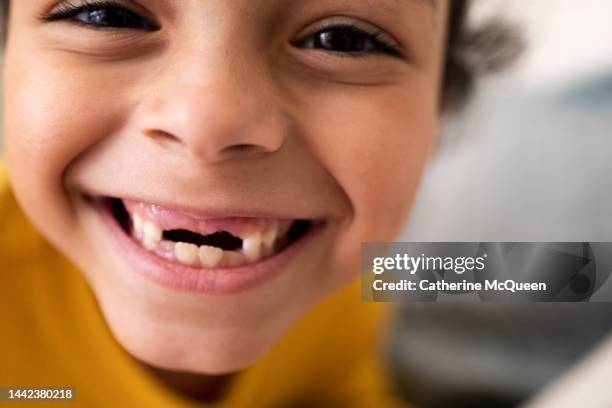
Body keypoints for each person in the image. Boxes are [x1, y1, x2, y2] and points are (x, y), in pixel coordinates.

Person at [0, 0, 477, 406]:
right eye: (107, 15)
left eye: (342, 40)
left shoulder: (343, 271)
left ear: (440, 110)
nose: (209, 123)